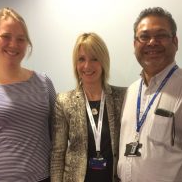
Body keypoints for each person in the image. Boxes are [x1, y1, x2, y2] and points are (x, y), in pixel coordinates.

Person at [117, 7, 182, 182]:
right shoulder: (132, 91)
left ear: (175, 41)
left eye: (161, 35)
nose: (152, 42)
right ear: (135, 44)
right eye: (144, 36)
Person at [0, 7, 56, 182]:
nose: (13, 44)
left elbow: (56, 133)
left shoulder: (44, 82)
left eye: (20, 39)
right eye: (5, 36)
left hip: (41, 178)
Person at [50, 32, 126, 182]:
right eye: (81, 59)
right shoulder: (64, 101)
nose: (87, 66)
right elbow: (58, 154)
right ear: (75, 64)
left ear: (103, 61)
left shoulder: (122, 97)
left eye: (94, 59)